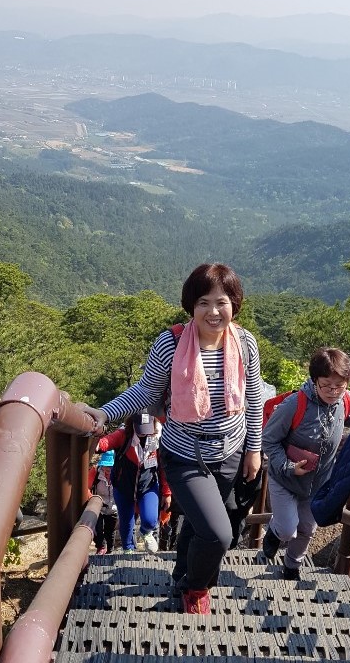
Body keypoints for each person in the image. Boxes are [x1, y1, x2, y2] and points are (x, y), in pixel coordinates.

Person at [83, 263, 263, 614]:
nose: (213, 311)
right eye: (203, 303)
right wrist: (105, 413)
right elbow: (145, 391)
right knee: (218, 534)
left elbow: (253, 397)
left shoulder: (244, 342)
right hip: (184, 455)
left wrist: (253, 449)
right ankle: (196, 588)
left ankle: (182, 575)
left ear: (234, 304)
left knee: (200, 525)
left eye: (222, 302)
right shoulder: (172, 342)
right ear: (191, 306)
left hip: (230, 450)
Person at [261, 347, 350, 578]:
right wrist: (288, 467)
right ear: (314, 380)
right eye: (326, 385)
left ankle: (291, 566)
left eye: (339, 386)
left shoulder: (344, 400)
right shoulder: (295, 404)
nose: (333, 391)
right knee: (288, 529)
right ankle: (275, 532)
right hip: (285, 478)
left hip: (317, 482)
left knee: (307, 528)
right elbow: (268, 439)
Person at [96, 412, 170, 553]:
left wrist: (167, 492)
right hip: (123, 487)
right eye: (141, 430)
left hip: (148, 486)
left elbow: (163, 468)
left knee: (150, 519)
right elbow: (106, 442)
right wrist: (97, 444)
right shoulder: (123, 435)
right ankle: (128, 550)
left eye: (147, 430)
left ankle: (145, 531)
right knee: (126, 521)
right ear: (133, 425)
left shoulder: (157, 439)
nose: (144, 434)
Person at [88, 449, 118, 554]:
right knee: (98, 528)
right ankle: (100, 547)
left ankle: (110, 550)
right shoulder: (95, 472)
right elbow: (86, 489)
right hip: (98, 506)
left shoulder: (119, 473)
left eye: (111, 466)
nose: (108, 469)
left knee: (110, 531)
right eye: (106, 466)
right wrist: (93, 499)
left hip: (113, 506)